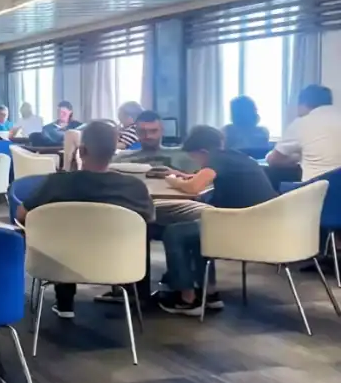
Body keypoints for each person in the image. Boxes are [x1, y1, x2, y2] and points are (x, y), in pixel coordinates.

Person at [16, 121, 155, 318]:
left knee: (61, 232)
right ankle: (136, 296)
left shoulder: (57, 183)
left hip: (61, 264)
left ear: (81, 151)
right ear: (114, 150)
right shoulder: (134, 187)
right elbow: (149, 219)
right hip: (119, 264)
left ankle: (65, 303)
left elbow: (21, 214)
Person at [158, 126, 278, 316]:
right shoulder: (235, 157)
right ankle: (210, 294)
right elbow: (205, 178)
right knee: (200, 229)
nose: (197, 164)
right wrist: (189, 176)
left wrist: (175, 181)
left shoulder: (216, 159)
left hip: (245, 228)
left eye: (196, 159)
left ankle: (186, 299)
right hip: (263, 224)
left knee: (175, 232)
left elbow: (194, 188)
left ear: (204, 152)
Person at [267, 85, 341, 181]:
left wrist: (296, 158)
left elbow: (273, 160)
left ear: (302, 104)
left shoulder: (302, 123)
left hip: (319, 190)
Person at [111, 111, 198, 172]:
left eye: (153, 131)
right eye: (142, 131)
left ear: (162, 131)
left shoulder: (182, 156)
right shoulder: (121, 158)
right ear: (136, 132)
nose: (148, 136)